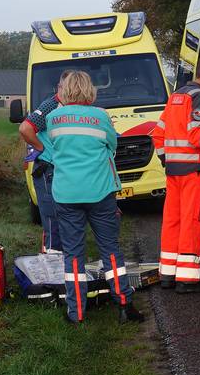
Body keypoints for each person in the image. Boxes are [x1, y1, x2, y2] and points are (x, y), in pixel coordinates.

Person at [45, 71, 145, 324]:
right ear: (90, 90)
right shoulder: (101, 116)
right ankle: (124, 305)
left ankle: (76, 312)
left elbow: (54, 146)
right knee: (110, 250)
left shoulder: (53, 118)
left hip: (66, 194)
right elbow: (113, 145)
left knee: (73, 255)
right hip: (100, 192)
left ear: (65, 89)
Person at [152, 56, 200, 293]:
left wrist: (166, 159)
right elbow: (195, 134)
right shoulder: (199, 96)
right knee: (192, 221)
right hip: (194, 172)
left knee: (173, 221)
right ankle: (187, 280)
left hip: (173, 171)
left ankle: (168, 275)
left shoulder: (176, 96)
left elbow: (157, 134)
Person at [18, 70, 76, 253]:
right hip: (48, 169)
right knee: (52, 218)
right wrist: (41, 147)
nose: (73, 92)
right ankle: (52, 256)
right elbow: (25, 128)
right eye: (69, 87)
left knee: (67, 216)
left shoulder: (74, 106)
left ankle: (68, 257)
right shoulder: (51, 105)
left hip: (64, 169)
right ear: (60, 87)